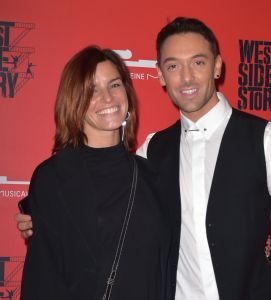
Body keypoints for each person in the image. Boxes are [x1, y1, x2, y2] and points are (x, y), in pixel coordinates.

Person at [17, 17, 271, 300]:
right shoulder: (152, 152)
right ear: (161, 75)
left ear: (217, 66)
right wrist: (39, 217)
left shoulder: (267, 140)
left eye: (198, 62)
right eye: (173, 66)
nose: (186, 77)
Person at [19, 46, 171, 300]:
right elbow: (42, 278)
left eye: (114, 85)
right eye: (92, 90)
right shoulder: (52, 178)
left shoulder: (152, 175)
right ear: (74, 100)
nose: (108, 98)